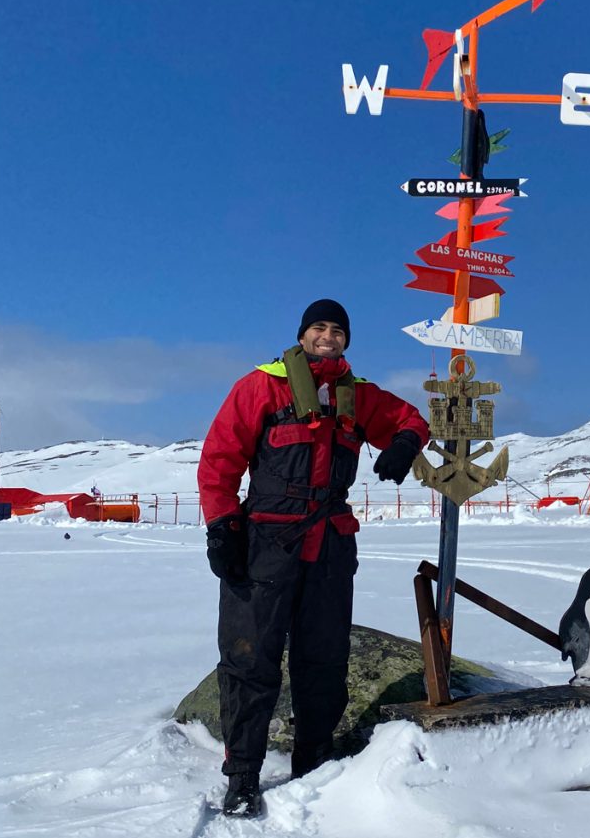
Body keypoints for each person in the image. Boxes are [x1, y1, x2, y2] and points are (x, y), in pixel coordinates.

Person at [197, 299, 429, 818]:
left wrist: (403, 444)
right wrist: (222, 527)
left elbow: (410, 419)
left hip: (329, 547)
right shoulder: (261, 386)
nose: (328, 336)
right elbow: (219, 460)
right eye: (319, 327)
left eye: (337, 330)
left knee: (323, 660)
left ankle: (315, 764)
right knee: (248, 661)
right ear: (303, 335)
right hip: (265, 545)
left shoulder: (357, 394)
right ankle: (242, 776)